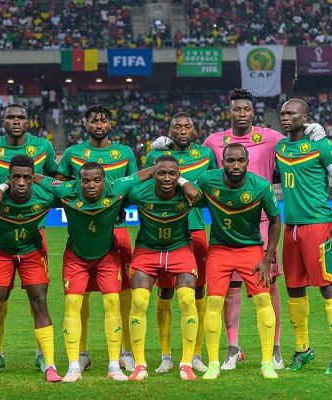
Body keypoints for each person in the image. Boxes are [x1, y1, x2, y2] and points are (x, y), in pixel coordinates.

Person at [200, 89, 325, 370]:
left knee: (269, 286)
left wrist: (314, 131)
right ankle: (233, 348)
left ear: (253, 112)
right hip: (228, 224)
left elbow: (296, 144)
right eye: (237, 109)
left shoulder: (271, 138)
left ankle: (275, 348)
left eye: (246, 109)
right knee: (230, 288)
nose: (241, 114)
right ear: (229, 112)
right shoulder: (213, 142)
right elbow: (195, 164)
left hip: (263, 224)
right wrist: (165, 146)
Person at [25, 163, 165, 382]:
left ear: (104, 180)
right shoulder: (67, 190)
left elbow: (141, 175)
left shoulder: (116, 187)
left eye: (96, 180)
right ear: (79, 181)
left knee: (112, 303)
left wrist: (168, 172)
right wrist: (3, 186)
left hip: (107, 256)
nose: (91, 185)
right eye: (86, 181)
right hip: (76, 257)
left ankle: (114, 366)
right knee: (72, 304)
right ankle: (73, 367)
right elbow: (38, 178)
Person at [0, 103, 58, 374]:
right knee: (0, 299)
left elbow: (56, 178)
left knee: (38, 297)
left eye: (21, 117)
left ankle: (43, 354)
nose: (16, 121)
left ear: (28, 121)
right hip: (2, 233)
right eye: (11, 117)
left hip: (35, 234)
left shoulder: (43, 147)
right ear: (3, 121)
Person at [55, 105, 137, 372]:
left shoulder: (125, 153)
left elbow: (134, 187)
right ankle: (82, 353)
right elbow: (60, 184)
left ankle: (126, 351)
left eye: (103, 120)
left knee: (123, 294)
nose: (98, 124)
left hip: (118, 229)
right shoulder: (73, 153)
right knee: (81, 296)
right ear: (86, 124)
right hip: (85, 231)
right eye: (93, 120)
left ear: (110, 124)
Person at [275, 99, 332, 375]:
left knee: (327, 286)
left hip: (318, 224)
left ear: (305, 118)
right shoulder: (280, 148)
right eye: (282, 113)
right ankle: (302, 349)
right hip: (291, 227)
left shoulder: (322, 145)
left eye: (291, 113)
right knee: (294, 288)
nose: (285, 117)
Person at [195, 143, 281, 380]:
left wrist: (268, 258)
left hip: (251, 250)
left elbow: (275, 221)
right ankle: (213, 364)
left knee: (263, 300)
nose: (235, 165)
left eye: (240, 160)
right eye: (230, 160)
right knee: (214, 303)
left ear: (247, 162)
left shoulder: (261, 186)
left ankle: (267, 363)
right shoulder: (207, 180)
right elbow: (189, 192)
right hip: (219, 250)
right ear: (222, 162)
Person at [144, 112, 217, 373]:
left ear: (194, 129)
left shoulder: (206, 155)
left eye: (187, 126)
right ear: (170, 130)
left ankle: (195, 355)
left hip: (195, 231)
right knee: (165, 292)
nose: (182, 130)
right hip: (165, 233)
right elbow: (145, 187)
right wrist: (152, 152)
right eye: (177, 127)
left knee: (198, 291)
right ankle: (166, 356)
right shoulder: (156, 157)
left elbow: (215, 186)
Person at [125, 155, 200, 381]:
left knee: (187, 301)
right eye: (161, 173)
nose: (167, 178)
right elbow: (120, 190)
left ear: (179, 175)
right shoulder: (139, 193)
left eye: (172, 174)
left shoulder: (189, 193)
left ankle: (186, 363)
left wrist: (185, 183)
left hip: (180, 249)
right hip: (147, 250)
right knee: (139, 302)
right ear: (153, 174)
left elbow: (205, 195)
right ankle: (140, 364)